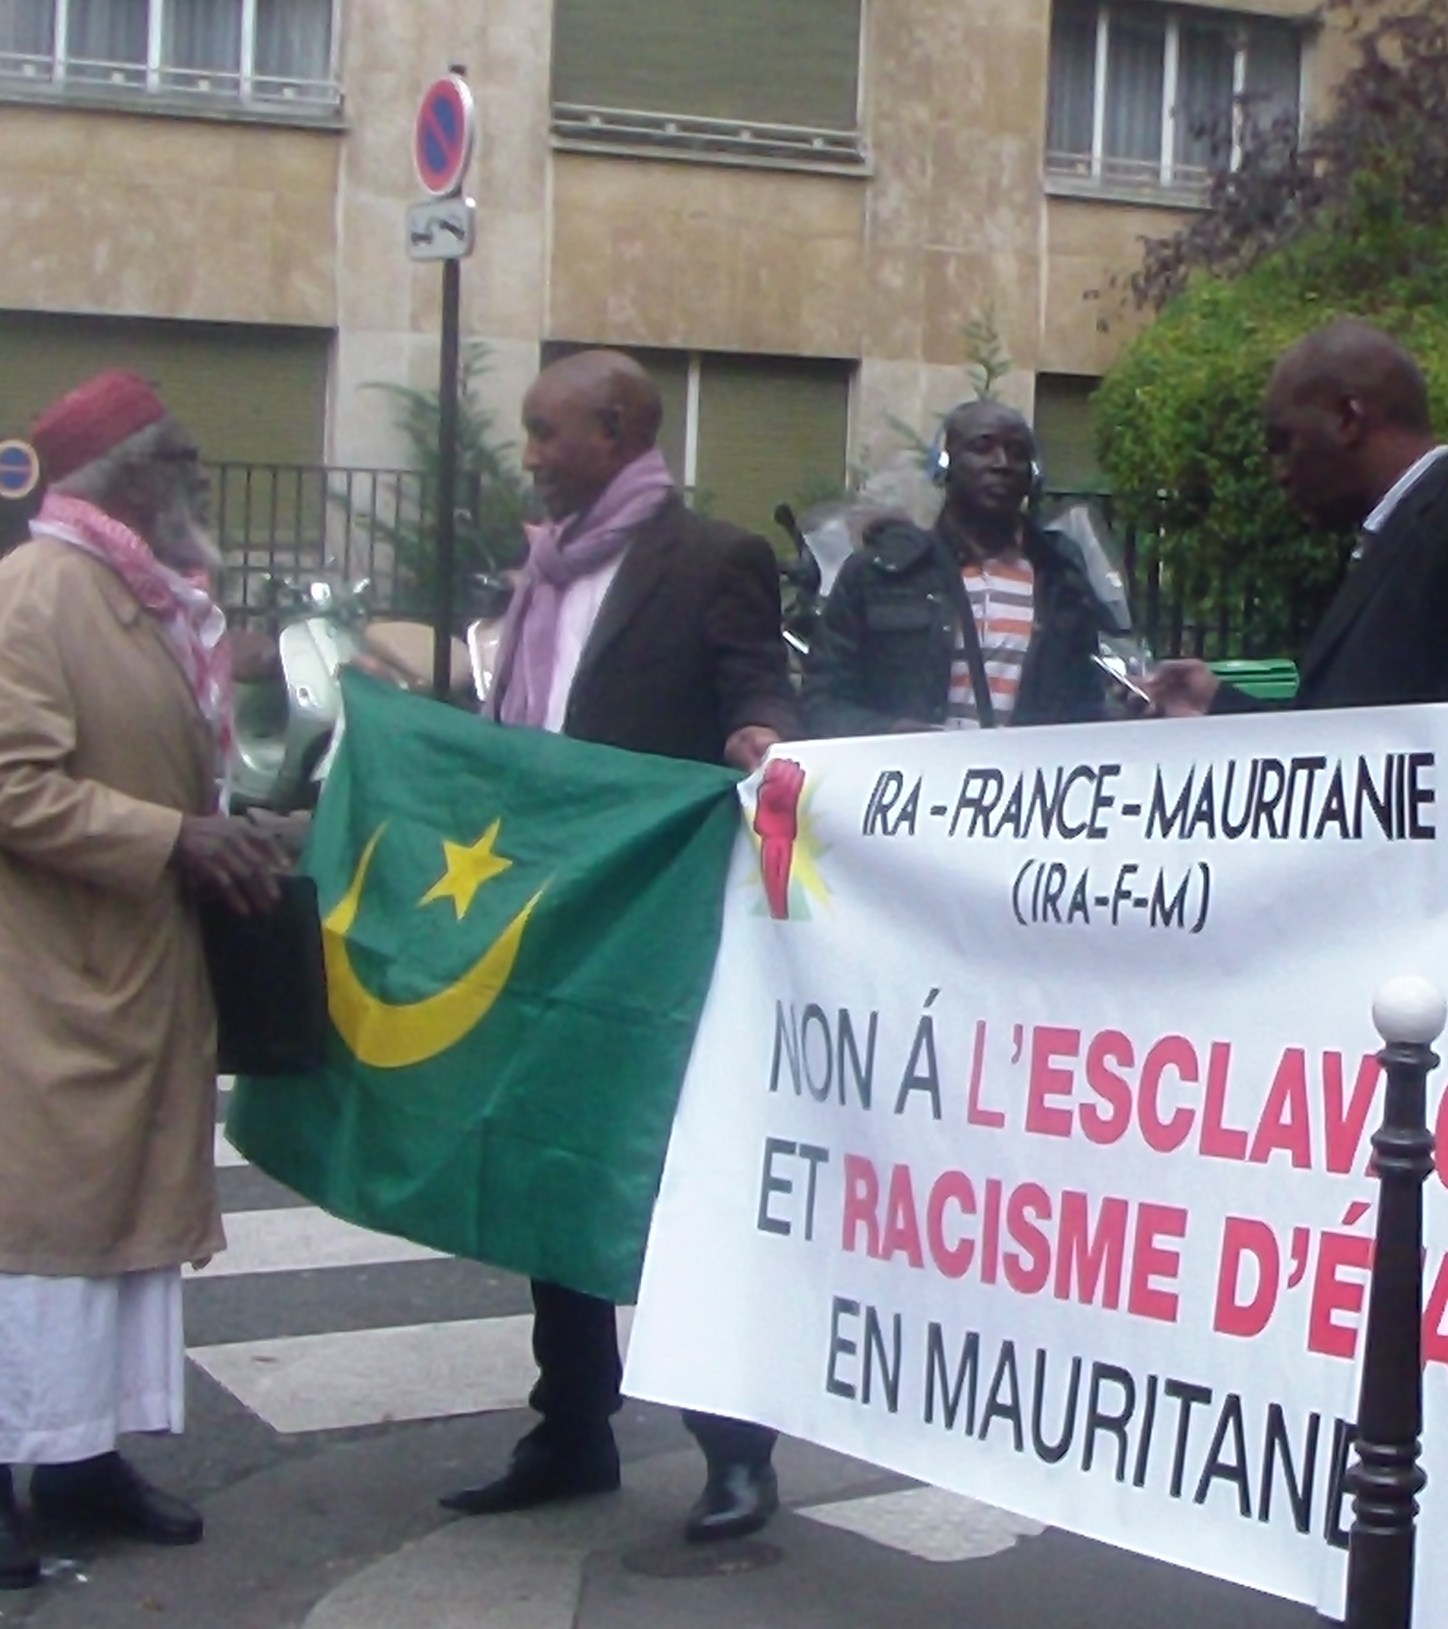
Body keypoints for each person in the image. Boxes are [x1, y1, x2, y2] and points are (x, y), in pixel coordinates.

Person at [0, 370, 289, 1589]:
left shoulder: (141, 597)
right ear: (128, 475)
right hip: (38, 982)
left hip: (125, 967)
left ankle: (81, 1462)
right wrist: (171, 839)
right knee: (5, 1243)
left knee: (112, 1243)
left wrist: (229, 827)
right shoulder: (41, 589)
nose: (204, 482)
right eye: (188, 461)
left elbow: (159, 764)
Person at [441, 349, 801, 1544]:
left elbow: (755, 685)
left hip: (656, 927)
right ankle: (572, 1427)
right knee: (552, 1161)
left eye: (547, 432)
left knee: (672, 1179)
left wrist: (760, 732)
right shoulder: (539, 574)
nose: (530, 453)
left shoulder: (712, 559)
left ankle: (733, 1447)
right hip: (541, 911)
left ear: (614, 429)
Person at [1145, 319, 1448, 712]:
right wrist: (1214, 701)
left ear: (1347, 418)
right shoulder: (1392, 537)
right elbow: (1345, 726)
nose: (1279, 473)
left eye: (1284, 443)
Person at [802, 400, 1118, 733]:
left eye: (1017, 452)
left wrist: (1135, 709)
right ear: (944, 464)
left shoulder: (1061, 581)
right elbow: (821, 703)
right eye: (982, 447)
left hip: (1023, 780)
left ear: (1033, 475)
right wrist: (894, 733)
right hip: (909, 780)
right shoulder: (877, 573)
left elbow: (1086, 708)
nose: (1002, 463)